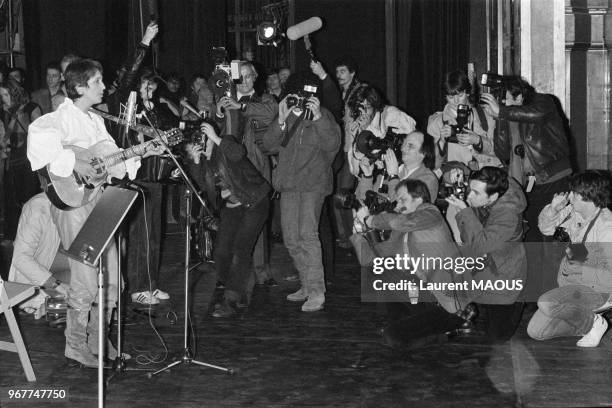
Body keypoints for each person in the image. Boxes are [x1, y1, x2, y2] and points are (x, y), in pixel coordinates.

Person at [27, 58, 162, 367]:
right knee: (86, 281)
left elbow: (111, 164)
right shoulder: (60, 117)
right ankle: (76, 345)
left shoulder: (95, 120)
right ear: (79, 87)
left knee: (114, 279)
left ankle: (100, 341)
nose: (104, 86)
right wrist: (75, 162)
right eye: (98, 81)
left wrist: (143, 151)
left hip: (100, 200)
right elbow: (37, 141)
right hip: (74, 204)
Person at [481, 76, 573, 293]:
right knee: (530, 239)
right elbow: (502, 152)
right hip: (526, 185)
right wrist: (500, 119)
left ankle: (555, 291)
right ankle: (535, 294)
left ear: (520, 95)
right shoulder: (507, 114)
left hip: (553, 179)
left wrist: (503, 111)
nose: (504, 105)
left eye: (508, 99)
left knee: (551, 238)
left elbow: (536, 115)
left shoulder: (544, 102)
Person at [352, 179, 470, 347]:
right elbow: (371, 260)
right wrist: (360, 234)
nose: (398, 204)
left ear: (419, 199)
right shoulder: (400, 232)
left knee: (392, 337)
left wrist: (370, 220)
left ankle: (450, 331)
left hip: (452, 302)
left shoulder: (431, 213)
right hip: (426, 297)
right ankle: (432, 329)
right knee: (386, 273)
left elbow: (407, 222)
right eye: (397, 200)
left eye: (403, 199)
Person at [263, 76, 341, 312]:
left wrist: (317, 118)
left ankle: (317, 292)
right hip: (289, 185)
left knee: (307, 235)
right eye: (295, 96)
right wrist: (282, 118)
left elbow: (332, 145)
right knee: (291, 238)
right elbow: (268, 144)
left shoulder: (323, 116)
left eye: (304, 96)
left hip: (313, 184)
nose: (300, 100)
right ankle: (307, 284)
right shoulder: (289, 116)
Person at [185, 122, 271, 317]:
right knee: (221, 252)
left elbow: (238, 154)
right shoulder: (204, 162)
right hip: (232, 208)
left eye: (203, 137)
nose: (201, 142)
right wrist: (196, 161)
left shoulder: (226, 144)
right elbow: (204, 189)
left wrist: (216, 138)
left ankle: (230, 300)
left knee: (241, 249)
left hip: (254, 201)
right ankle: (236, 288)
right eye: (197, 139)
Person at [527, 171, 612, 347]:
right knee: (537, 332)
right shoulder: (574, 211)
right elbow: (546, 229)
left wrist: (576, 253)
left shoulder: (607, 227)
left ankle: (595, 322)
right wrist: (553, 209)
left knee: (546, 302)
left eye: (574, 192)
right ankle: (586, 325)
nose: (569, 195)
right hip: (571, 283)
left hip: (599, 289)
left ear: (588, 197)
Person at [446, 166, 526, 340]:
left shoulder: (508, 215)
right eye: (469, 189)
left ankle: (518, 301)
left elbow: (479, 245)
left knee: (497, 336)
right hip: (485, 269)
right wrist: (459, 175)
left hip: (505, 278)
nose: (469, 196)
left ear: (494, 197)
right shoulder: (492, 185)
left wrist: (464, 211)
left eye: (475, 193)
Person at [428, 70, 500, 171]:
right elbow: (433, 165)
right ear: (445, 97)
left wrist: (478, 140)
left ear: (467, 93)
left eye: (460, 95)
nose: (456, 101)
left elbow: (500, 153)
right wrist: (442, 142)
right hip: (453, 177)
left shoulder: (485, 115)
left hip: (483, 177)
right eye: (451, 97)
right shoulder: (437, 122)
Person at [8, 192, 66, 314]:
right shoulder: (37, 207)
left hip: (53, 268)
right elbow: (21, 259)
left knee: (90, 266)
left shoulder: (80, 204)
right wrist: (57, 286)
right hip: (31, 278)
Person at [1, 81, 42, 241]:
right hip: (14, 161)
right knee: (14, 201)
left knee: (30, 199)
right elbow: (6, 139)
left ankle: (34, 237)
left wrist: (19, 115)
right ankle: (16, 238)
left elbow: (39, 133)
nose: (4, 99)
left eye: (6, 94)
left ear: (15, 93)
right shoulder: (6, 111)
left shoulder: (32, 107)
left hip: (30, 160)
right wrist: (11, 116)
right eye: (1, 96)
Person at [346, 84, 416, 177]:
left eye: (366, 108)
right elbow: (355, 171)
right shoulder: (357, 126)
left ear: (375, 105)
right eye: (359, 109)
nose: (363, 114)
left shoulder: (392, 116)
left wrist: (369, 130)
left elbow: (412, 148)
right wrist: (359, 139)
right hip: (375, 182)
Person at [355, 131, 438, 202]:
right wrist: (367, 176)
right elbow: (364, 202)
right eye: (404, 143)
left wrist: (393, 176)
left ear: (423, 153)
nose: (403, 149)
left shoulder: (428, 179)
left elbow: (404, 210)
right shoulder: (392, 169)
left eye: (410, 146)